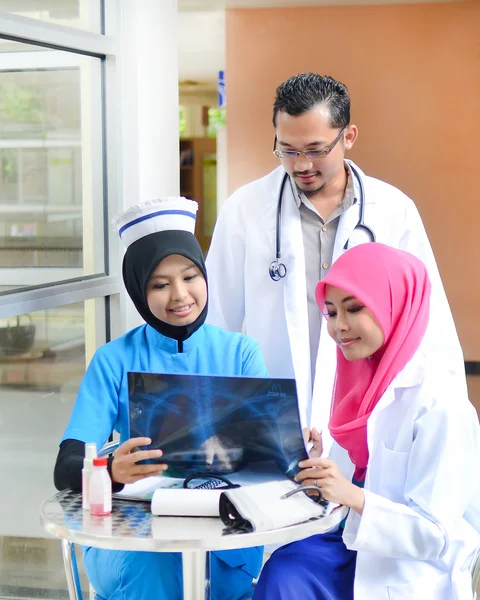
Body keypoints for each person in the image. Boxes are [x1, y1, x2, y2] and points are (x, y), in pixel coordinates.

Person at [205, 73, 465, 465]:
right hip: (270, 421)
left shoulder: (393, 211)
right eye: (287, 150)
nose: (301, 164)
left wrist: (451, 428)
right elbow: (216, 326)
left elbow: (431, 326)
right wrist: (212, 421)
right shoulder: (245, 210)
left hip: (374, 418)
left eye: (315, 149)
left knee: (367, 516)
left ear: (349, 136)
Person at [53, 197, 267, 600]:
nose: (180, 295)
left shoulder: (241, 353)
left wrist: (288, 441)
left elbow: (267, 457)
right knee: (157, 566)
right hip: (135, 540)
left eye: (190, 276)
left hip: (221, 538)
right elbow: (67, 467)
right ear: (138, 289)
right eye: (159, 284)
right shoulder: (113, 360)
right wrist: (112, 469)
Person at [253, 243, 480, 600]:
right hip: (354, 544)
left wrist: (352, 495)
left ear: (395, 305)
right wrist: (314, 462)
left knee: (289, 575)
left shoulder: (441, 405)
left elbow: (436, 534)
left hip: (407, 569)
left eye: (355, 308)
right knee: (285, 569)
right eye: (330, 312)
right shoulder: (365, 384)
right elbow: (357, 479)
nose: (339, 327)